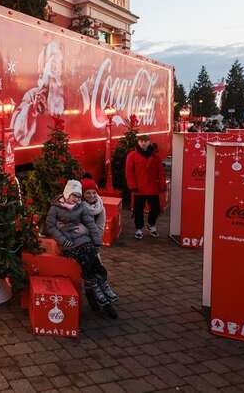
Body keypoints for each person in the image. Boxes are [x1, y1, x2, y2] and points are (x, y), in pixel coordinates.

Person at [46, 180, 118, 318]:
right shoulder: (58, 207)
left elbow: (94, 226)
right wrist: (63, 238)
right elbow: (51, 226)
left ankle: (102, 287)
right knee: (86, 259)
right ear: (68, 193)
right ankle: (95, 291)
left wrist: (96, 242)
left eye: (80, 196)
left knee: (93, 259)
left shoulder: (89, 208)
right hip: (70, 242)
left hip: (86, 240)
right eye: (78, 195)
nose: (79, 199)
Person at [125, 135, 167, 239]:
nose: (143, 143)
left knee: (155, 209)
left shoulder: (156, 157)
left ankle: (151, 224)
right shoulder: (132, 155)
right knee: (138, 209)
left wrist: (162, 185)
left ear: (149, 142)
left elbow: (161, 172)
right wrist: (132, 185)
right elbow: (129, 171)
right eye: (141, 141)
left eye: (146, 141)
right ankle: (139, 228)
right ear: (138, 142)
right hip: (139, 188)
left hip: (153, 188)